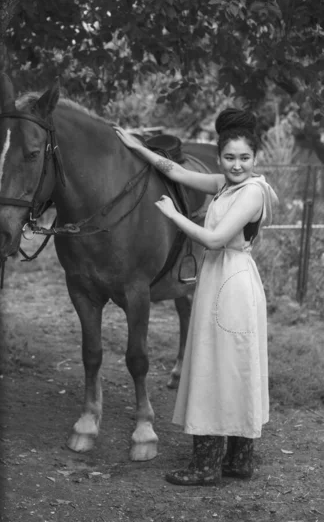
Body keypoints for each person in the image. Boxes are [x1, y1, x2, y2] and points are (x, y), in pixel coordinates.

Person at [115, 108, 278, 486]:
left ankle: (206, 465)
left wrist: (173, 214)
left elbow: (215, 240)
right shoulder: (225, 183)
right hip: (222, 277)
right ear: (220, 158)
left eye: (244, 158)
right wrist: (135, 146)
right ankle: (237, 460)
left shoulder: (252, 191)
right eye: (230, 158)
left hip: (232, 279)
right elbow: (174, 171)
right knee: (232, 364)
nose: (237, 165)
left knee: (218, 365)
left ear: (255, 159)